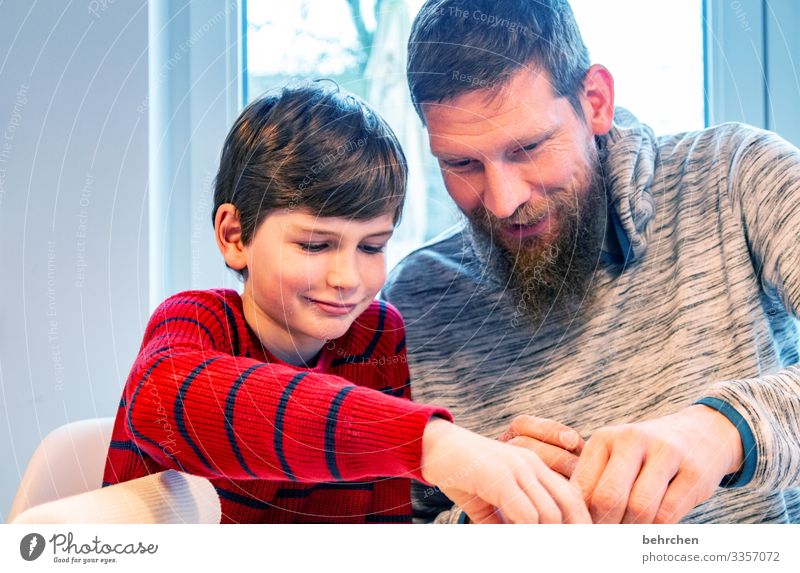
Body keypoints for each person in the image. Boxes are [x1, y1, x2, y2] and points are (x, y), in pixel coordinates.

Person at [382, 0, 800, 524]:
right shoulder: (415, 298)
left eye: (528, 147)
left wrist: (725, 428)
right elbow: (402, 528)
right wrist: (483, 518)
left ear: (595, 101)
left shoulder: (736, 175)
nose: (502, 200)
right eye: (461, 163)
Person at [102, 81, 590, 524]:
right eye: (316, 246)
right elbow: (164, 400)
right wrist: (429, 443)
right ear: (234, 236)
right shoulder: (194, 321)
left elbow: (383, 531)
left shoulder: (376, 335)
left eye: (372, 246)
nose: (347, 278)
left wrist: (477, 508)